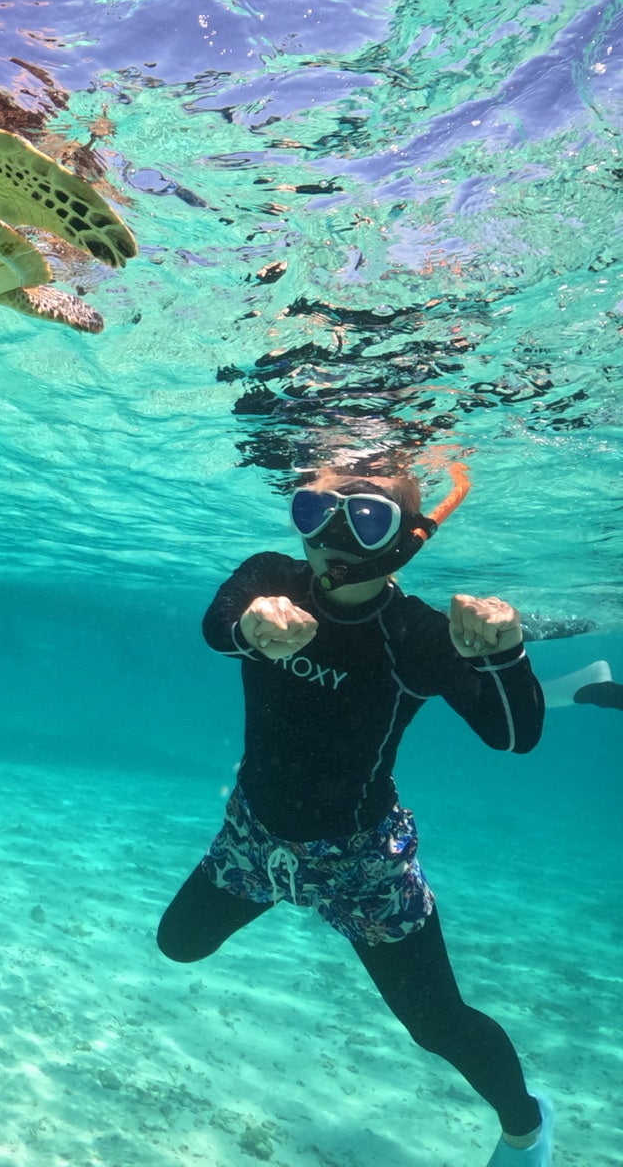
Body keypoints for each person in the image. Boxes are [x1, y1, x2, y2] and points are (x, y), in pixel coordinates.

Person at [155, 463, 557, 1166]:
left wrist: (507, 658)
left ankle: (526, 1125)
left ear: (406, 536)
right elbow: (216, 629)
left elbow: (515, 737)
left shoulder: (415, 634)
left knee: (436, 1026)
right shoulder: (270, 577)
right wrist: (253, 626)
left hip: (362, 863)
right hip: (254, 838)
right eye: (314, 511)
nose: (331, 536)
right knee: (179, 943)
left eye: (366, 518)